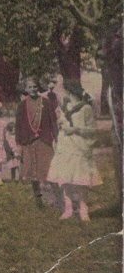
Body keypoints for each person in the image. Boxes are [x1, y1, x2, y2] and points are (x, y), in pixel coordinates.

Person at [47, 79, 101, 221]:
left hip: (78, 145)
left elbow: (92, 130)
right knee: (64, 178)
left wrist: (75, 129)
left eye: (65, 91)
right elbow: (59, 124)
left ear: (70, 92)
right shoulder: (63, 107)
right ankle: (69, 208)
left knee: (80, 179)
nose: (63, 94)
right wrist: (61, 125)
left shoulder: (86, 108)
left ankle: (84, 209)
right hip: (65, 146)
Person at [15, 78, 59, 205]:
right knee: (33, 173)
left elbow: (53, 123)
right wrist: (18, 144)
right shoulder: (22, 105)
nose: (33, 89)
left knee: (48, 170)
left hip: (44, 141)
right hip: (28, 142)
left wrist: (56, 139)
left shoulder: (46, 102)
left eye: (35, 86)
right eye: (30, 87)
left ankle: (55, 199)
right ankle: (38, 199)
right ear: (26, 89)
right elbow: (18, 126)